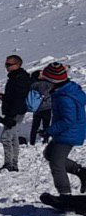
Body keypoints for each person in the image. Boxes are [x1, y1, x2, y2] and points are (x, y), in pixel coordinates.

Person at [31, 63, 86, 196]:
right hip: (67, 131)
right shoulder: (64, 90)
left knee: (56, 163)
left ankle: (65, 195)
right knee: (49, 154)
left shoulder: (64, 97)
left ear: (52, 82)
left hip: (69, 133)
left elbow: (68, 120)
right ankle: (82, 172)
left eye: (46, 81)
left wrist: (49, 130)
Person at [0, 55, 32, 173]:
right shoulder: (15, 77)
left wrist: (11, 116)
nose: (7, 67)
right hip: (14, 111)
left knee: (6, 137)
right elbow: (14, 97)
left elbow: (19, 98)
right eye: (6, 64)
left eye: (9, 65)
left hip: (15, 113)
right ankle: (13, 164)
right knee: (13, 137)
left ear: (18, 65)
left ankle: (9, 164)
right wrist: (4, 97)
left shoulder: (20, 78)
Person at [28, 70, 55, 147]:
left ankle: (32, 141)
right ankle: (45, 140)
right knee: (46, 125)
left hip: (36, 107)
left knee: (35, 126)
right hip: (47, 107)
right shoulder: (48, 84)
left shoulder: (32, 84)